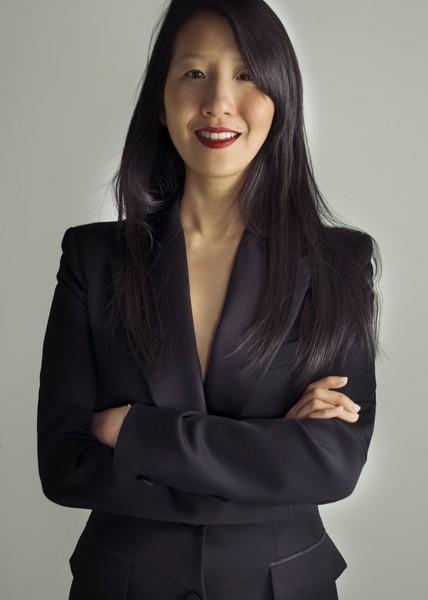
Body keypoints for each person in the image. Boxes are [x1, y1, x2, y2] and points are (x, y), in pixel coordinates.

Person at [37, 1, 382, 599]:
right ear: (161, 99)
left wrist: (138, 434)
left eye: (246, 75)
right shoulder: (93, 258)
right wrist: (272, 456)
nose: (219, 102)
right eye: (194, 73)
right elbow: (64, 465)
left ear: (280, 97)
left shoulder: (339, 262)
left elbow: (334, 462)